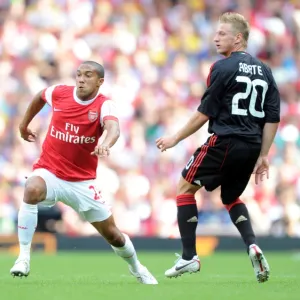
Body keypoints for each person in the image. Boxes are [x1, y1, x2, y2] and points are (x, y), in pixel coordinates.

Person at [156, 12, 280, 283]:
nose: (215, 38)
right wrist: (264, 156)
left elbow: (204, 113)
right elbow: (272, 118)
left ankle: (189, 257)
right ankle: (252, 245)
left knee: (185, 187)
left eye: (222, 33)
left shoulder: (221, 68)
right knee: (230, 197)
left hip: (225, 140)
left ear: (238, 38)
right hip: (252, 145)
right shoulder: (266, 71)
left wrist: (175, 138)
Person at [10, 61, 158, 285]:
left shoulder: (104, 105)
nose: (81, 79)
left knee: (113, 235)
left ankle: (137, 268)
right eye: (78, 74)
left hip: (81, 182)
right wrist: (24, 124)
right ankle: (23, 258)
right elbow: (40, 95)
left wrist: (106, 142)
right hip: (50, 171)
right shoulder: (60, 93)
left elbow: (113, 129)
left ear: (100, 81)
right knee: (31, 188)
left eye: (88, 75)